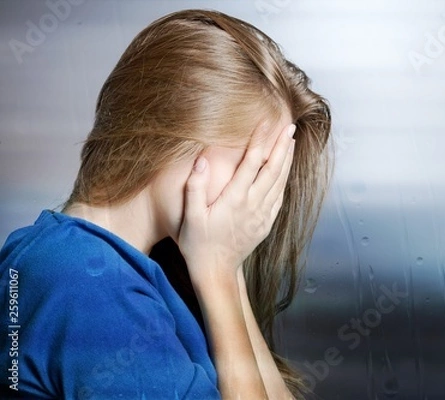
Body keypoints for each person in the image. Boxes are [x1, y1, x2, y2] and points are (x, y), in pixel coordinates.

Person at [0, 9, 332, 399]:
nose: (263, 199)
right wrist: (218, 272)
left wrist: (226, 266)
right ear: (186, 140)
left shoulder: (73, 259)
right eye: (256, 167)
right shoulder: (90, 286)